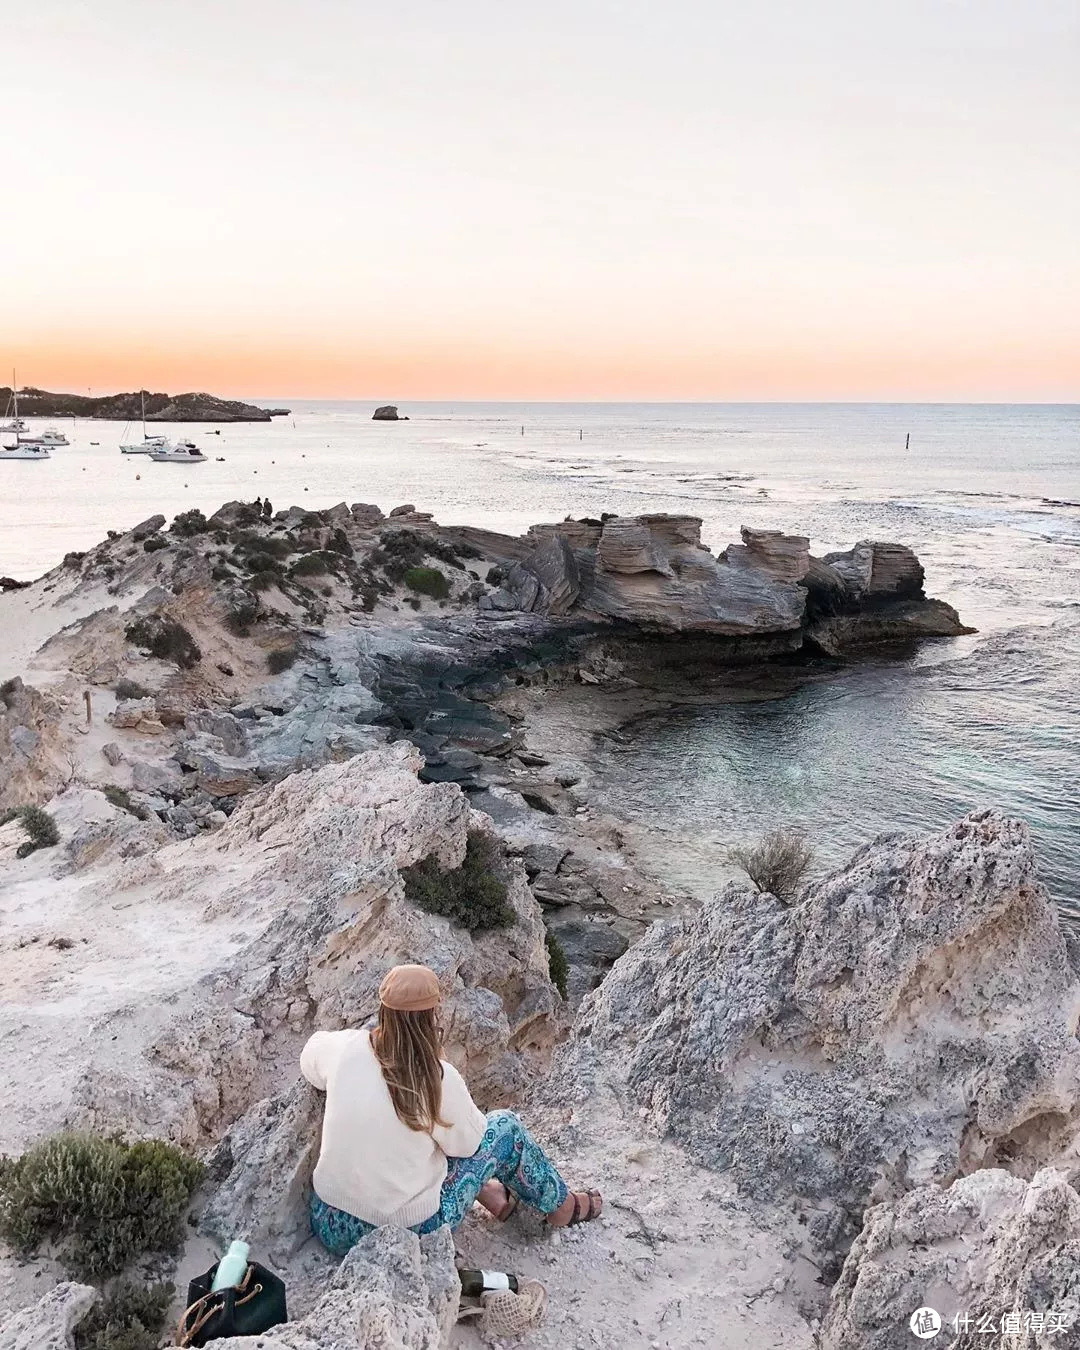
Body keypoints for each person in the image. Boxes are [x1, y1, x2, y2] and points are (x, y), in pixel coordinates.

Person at [301, 963, 602, 1255]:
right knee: (503, 1128)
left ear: (383, 1010)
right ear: (432, 1016)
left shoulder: (344, 1048)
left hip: (331, 1222)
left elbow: (308, 1060)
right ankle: (562, 1207)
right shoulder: (437, 1078)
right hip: (404, 1233)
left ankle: (496, 1197)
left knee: (421, 1138)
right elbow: (469, 1145)